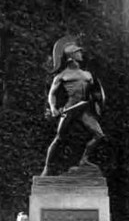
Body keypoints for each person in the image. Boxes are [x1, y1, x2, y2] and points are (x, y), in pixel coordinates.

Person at [41, 40, 106, 176]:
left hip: (84, 109)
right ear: (71, 56)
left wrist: (97, 97)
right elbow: (52, 94)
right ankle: (47, 167)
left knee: (99, 134)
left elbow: (95, 93)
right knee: (59, 138)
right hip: (70, 109)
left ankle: (84, 159)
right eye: (78, 52)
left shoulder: (87, 75)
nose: (81, 54)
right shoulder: (62, 75)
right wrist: (53, 108)